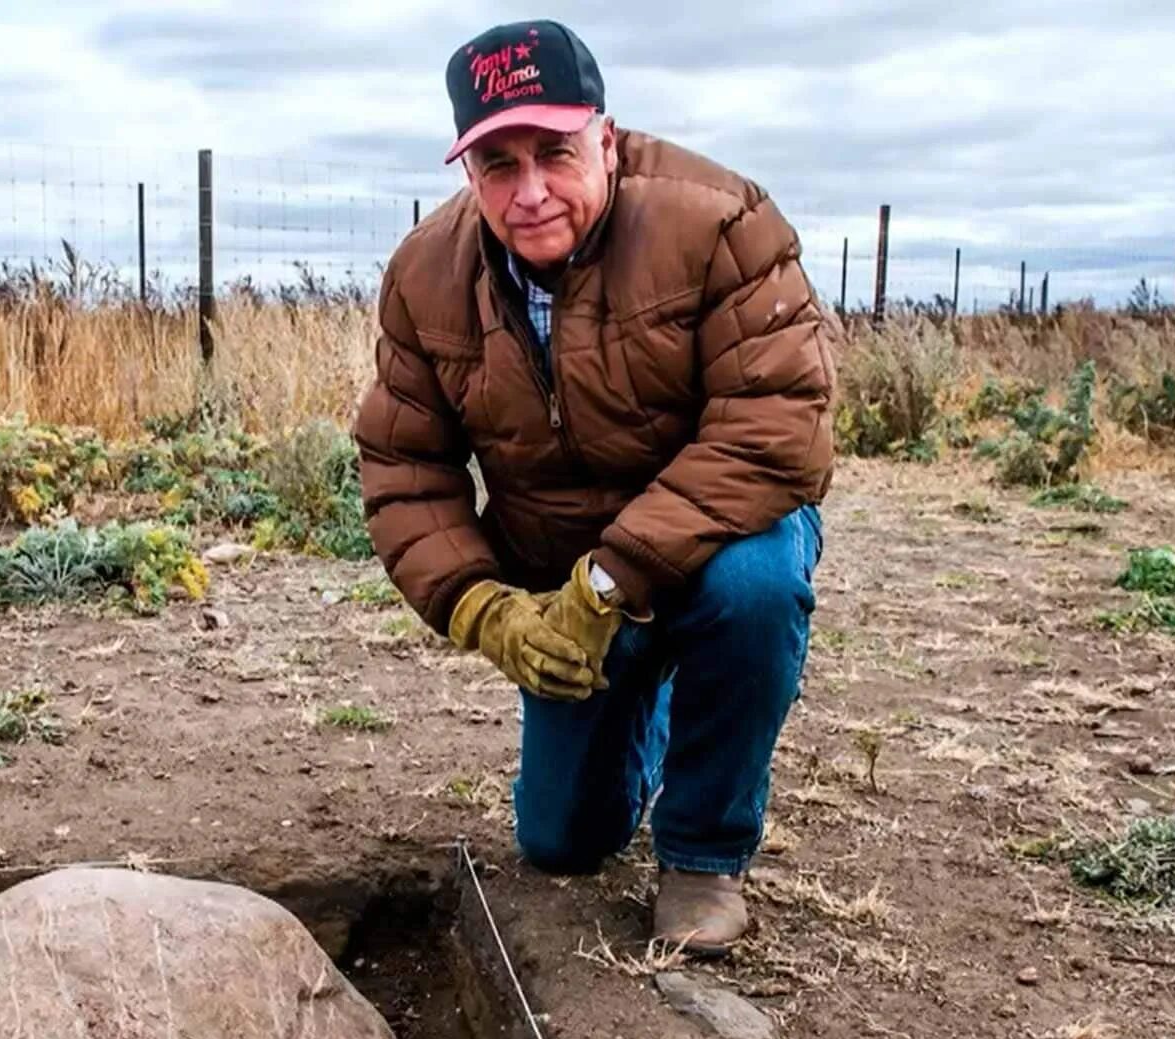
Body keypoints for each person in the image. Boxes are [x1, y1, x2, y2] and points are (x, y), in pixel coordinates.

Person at [352, 18, 837, 956]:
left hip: (714, 541)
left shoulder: (721, 222)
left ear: (604, 139)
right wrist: (488, 609)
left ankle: (702, 852)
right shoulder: (424, 276)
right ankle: (639, 710)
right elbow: (406, 470)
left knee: (754, 590)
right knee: (562, 843)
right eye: (499, 164)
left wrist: (609, 583)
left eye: (556, 153)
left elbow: (776, 431)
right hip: (558, 564)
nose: (530, 192)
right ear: (468, 173)